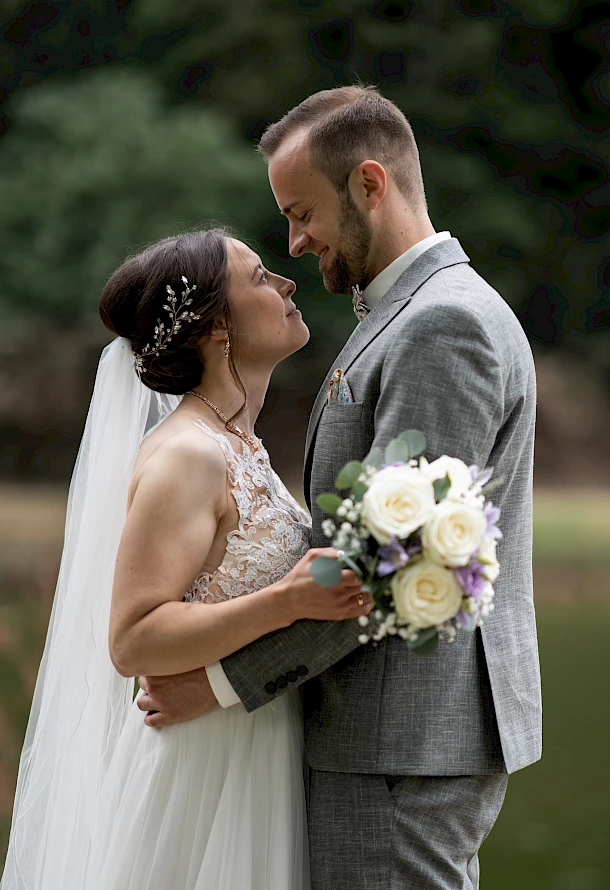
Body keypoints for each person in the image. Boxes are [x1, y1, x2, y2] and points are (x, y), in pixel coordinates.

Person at [139, 86, 543, 889]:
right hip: (394, 738)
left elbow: (389, 565)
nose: (294, 243)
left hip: (401, 740)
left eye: (302, 214)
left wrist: (220, 682)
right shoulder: (408, 311)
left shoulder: (442, 325)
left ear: (369, 184)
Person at [0, 228, 372, 890]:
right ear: (216, 327)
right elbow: (134, 638)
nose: (286, 282)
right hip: (204, 774)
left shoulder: (239, 443)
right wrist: (287, 599)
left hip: (258, 748)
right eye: (259, 277)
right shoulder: (189, 455)